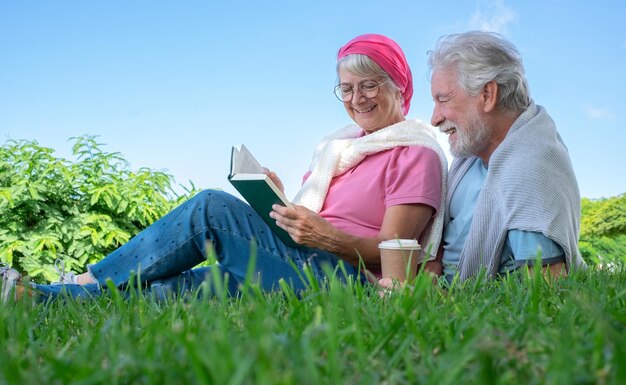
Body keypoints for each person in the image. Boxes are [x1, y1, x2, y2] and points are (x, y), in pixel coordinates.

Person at [1, 33, 448, 301]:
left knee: (210, 209)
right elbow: (314, 223)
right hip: (306, 258)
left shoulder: (415, 153)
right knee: (173, 290)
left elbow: (399, 256)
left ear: (399, 86)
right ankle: (34, 299)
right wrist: (281, 202)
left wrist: (326, 237)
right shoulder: (341, 148)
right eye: (346, 89)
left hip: (347, 279)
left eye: (369, 85)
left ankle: (88, 276)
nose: (357, 99)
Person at [424, 31, 586, 284]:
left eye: (443, 99)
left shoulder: (529, 168)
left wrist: (439, 301)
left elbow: (544, 294)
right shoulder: (470, 160)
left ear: (487, 95)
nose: (434, 118)